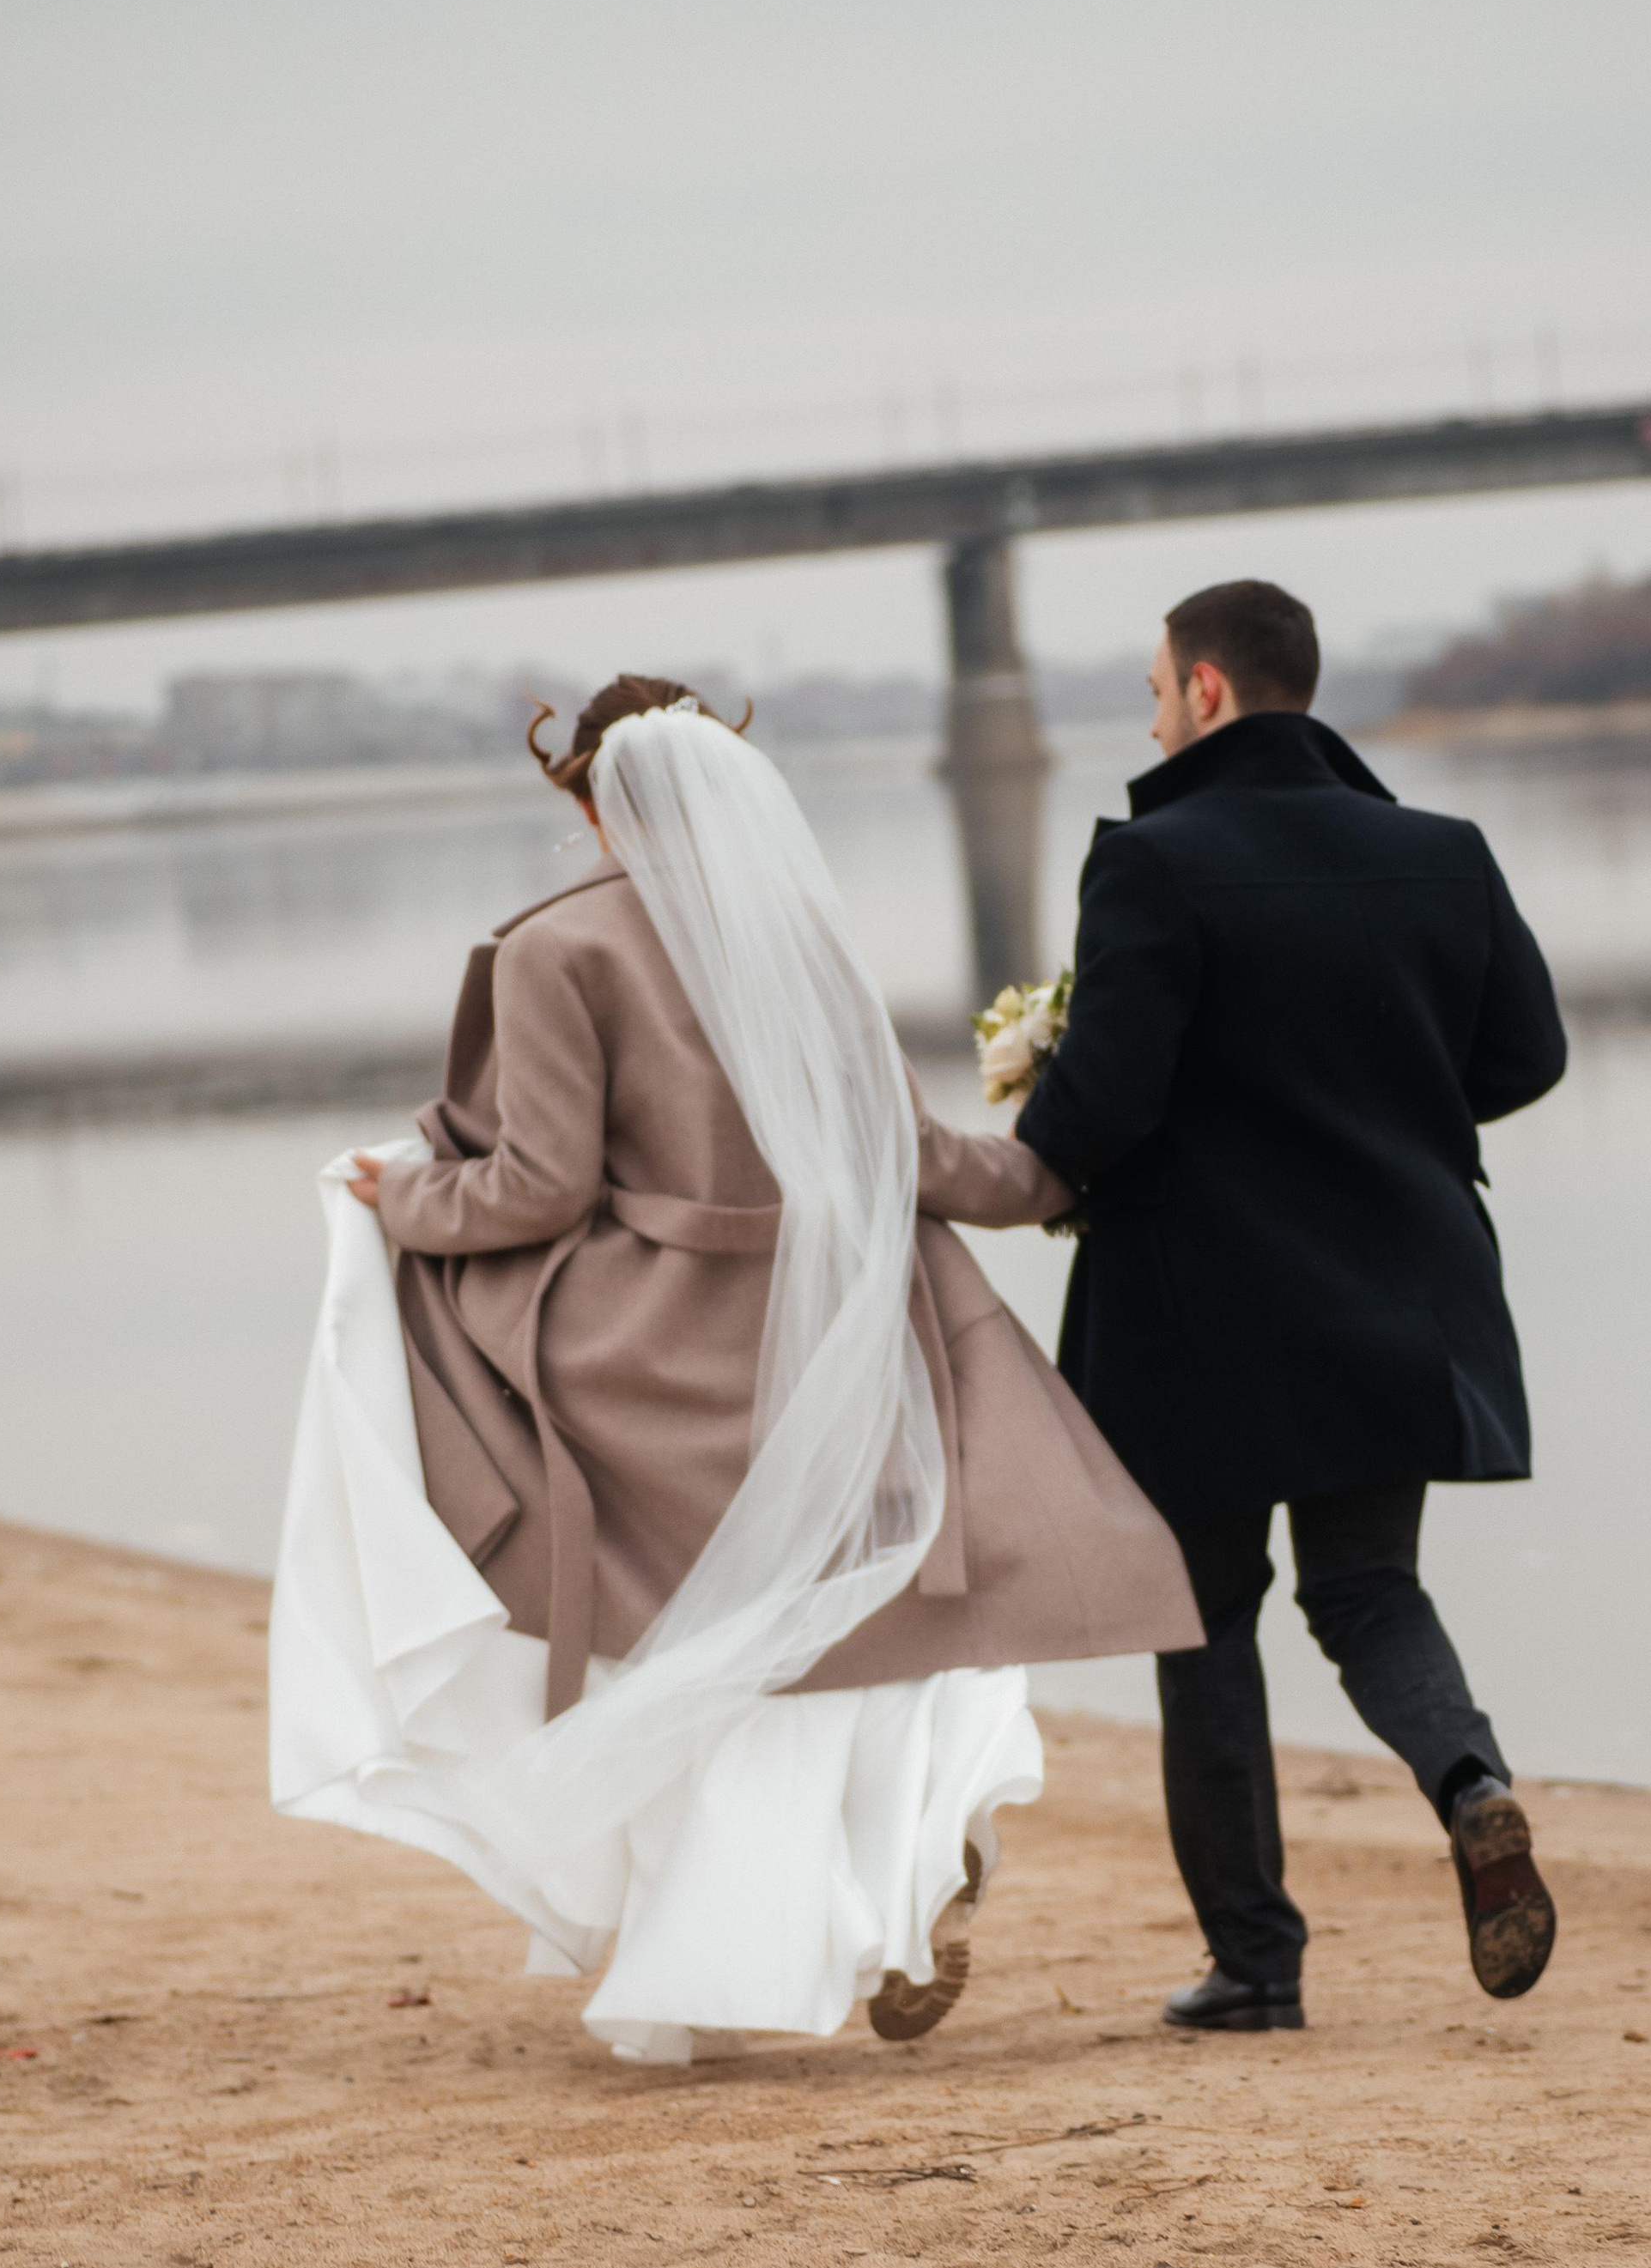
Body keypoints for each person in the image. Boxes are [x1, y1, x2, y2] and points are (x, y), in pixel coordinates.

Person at [268, 677, 1198, 2065]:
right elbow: (909, 1154)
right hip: (836, 1342)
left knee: (678, 1654)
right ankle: (920, 1853)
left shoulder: (554, 951)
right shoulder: (796, 931)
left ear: (589, 799)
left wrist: (401, 1196)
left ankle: (739, 1938)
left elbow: (537, 1189)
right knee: (874, 1626)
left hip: (651, 1355)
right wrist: (1051, 1176)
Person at [1013, 580, 1568, 2032]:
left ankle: (1257, 1968)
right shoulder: (1443, 852)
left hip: (1201, 1314)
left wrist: (1033, 1115)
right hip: (1399, 1288)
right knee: (1368, 1589)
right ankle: (1472, 1782)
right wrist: (1388, 1112)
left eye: (1154, 692)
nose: (1151, 722)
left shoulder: (1152, 861)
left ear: (1206, 689)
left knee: (1204, 1618)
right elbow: (1527, 1055)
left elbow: (1105, 1104)